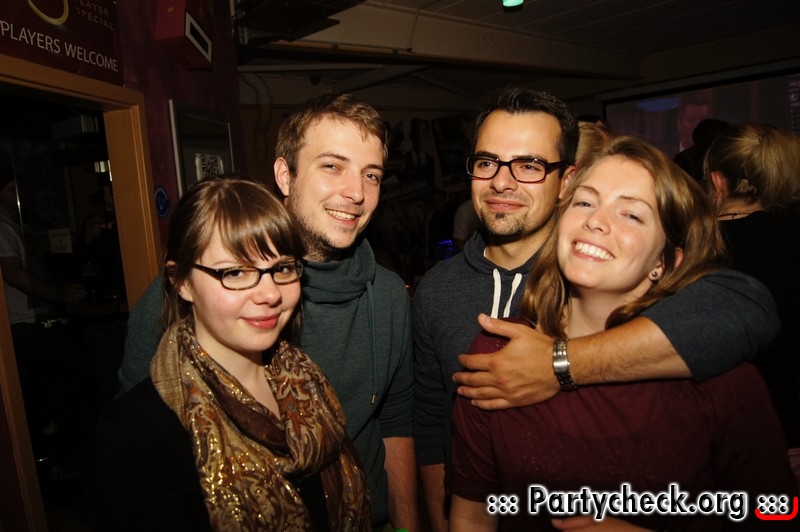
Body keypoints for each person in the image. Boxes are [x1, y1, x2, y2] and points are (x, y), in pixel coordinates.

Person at [412, 88, 779, 532]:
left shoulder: (712, 366)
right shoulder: (489, 342)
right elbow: (454, 474)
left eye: (529, 165)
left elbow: (778, 510)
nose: (596, 221)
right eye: (588, 203)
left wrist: (558, 365)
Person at [116, 94, 417, 530]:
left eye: (371, 175)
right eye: (332, 166)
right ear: (285, 175)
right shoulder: (194, 293)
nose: (356, 193)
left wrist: (406, 527)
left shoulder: (387, 295)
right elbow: (141, 445)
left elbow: (396, 420)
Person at [95, 177, 370, 530]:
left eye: (282, 268)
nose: (270, 294)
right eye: (236, 272)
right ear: (182, 281)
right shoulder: (135, 432)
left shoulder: (307, 382)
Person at [705, 122, 800, 450]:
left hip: (716, 431)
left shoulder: (689, 247)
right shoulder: (791, 237)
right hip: (789, 422)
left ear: (717, 182)